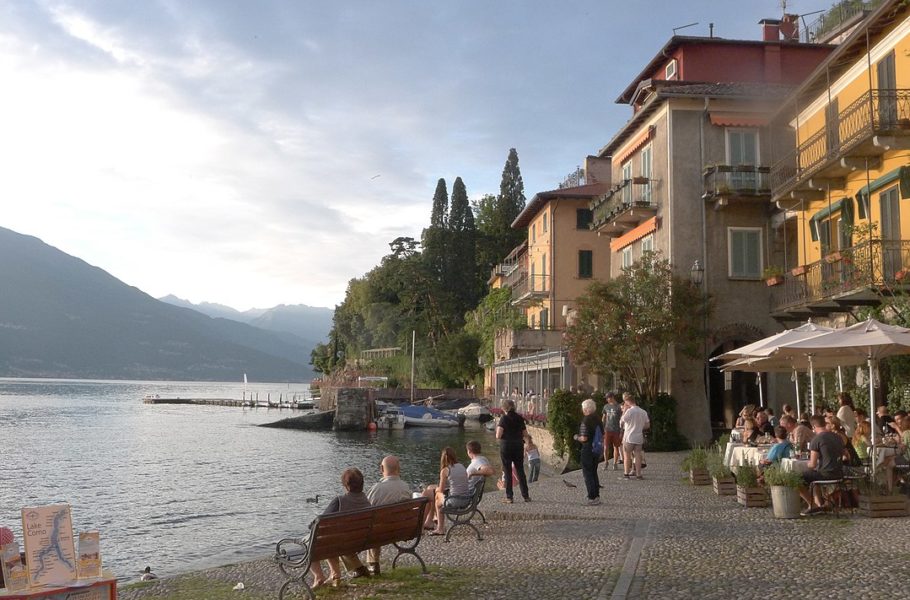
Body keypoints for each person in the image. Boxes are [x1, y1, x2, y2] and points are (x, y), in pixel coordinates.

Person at [310, 468, 372, 588]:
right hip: (360, 540)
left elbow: (318, 523)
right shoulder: (366, 501)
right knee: (333, 537)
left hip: (341, 542)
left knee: (316, 541)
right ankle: (335, 574)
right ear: (362, 484)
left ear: (345, 486)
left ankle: (319, 576)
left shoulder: (339, 501)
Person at [365, 456, 412, 576]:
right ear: (399, 469)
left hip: (381, 532)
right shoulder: (405, 487)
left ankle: (373, 564)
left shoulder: (377, 489)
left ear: (381, 469)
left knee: (373, 524)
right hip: (402, 530)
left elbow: (366, 511)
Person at [799, 416, 846, 516]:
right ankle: (820, 504)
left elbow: (812, 464)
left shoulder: (816, 439)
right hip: (839, 473)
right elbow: (846, 455)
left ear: (814, 426)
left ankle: (812, 505)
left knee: (796, 479)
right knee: (814, 477)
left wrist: (806, 463)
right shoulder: (838, 437)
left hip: (826, 474)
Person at [422, 447, 471, 535]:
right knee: (430, 489)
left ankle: (439, 528)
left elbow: (440, 490)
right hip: (466, 498)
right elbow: (459, 482)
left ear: (443, 458)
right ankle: (429, 521)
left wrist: (436, 490)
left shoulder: (445, 470)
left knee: (435, 497)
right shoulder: (462, 466)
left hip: (455, 500)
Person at [495, 398, 530, 503]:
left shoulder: (504, 419)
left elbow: (498, 435)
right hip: (518, 445)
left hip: (506, 446)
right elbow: (525, 434)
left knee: (508, 471)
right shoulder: (520, 418)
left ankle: (509, 497)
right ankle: (526, 495)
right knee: (520, 470)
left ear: (504, 408)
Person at [574, 398, 602, 505]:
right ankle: (597, 495)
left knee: (587, 473)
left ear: (585, 409)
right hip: (597, 449)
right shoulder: (598, 419)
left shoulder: (586, 420)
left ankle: (591, 496)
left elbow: (584, 438)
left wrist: (576, 437)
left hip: (588, 449)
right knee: (594, 472)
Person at [619, 393, 649, 480]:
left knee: (627, 456)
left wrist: (624, 410)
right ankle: (638, 474)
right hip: (639, 436)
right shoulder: (643, 412)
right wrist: (639, 427)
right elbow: (647, 425)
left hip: (629, 436)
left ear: (627, 401)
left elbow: (621, 422)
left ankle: (626, 473)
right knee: (638, 455)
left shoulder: (629, 411)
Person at [602, 392, 623, 471]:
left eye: (608, 398)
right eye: (607, 398)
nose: (607, 399)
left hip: (616, 429)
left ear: (612, 397)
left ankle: (614, 463)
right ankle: (606, 462)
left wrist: (621, 430)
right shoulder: (606, 406)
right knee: (605, 447)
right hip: (607, 429)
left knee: (616, 447)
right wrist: (603, 427)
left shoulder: (618, 406)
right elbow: (604, 417)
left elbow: (622, 418)